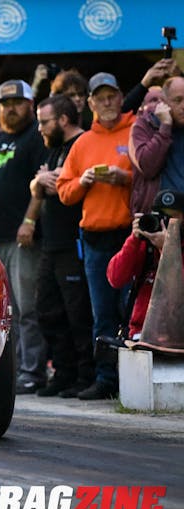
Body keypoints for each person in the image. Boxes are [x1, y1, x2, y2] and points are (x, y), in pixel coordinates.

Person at [57, 72, 136, 400]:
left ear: (121, 97)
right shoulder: (82, 143)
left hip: (129, 235)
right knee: (101, 312)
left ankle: (133, 381)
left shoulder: (135, 130)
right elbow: (64, 192)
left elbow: (152, 175)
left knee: (130, 309)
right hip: (94, 238)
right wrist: (84, 182)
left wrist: (125, 178)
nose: (106, 102)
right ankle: (105, 379)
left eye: (111, 96)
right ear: (89, 103)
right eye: (100, 98)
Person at [0, 79, 49, 394]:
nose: (10, 109)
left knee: (27, 307)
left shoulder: (36, 136)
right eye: (5, 104)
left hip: (21, 236)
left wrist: (29, 221)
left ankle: (33, 371)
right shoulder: (0, 139)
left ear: (30, 105)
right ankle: (12, 368)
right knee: (5, 309)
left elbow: (42, 184)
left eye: (17, 103)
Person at [28, 95, 94, 398]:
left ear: (63, 120)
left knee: (77, 312)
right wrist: (40, 181)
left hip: (74, 242)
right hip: (50, 243)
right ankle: (63, 373)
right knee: (47, 310)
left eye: (44, 122)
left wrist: (53, 181)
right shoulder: (53, 147)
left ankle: (85, 375)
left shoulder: (82, 143)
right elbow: (41, 183)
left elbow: (66, 184)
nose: (40, 128)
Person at [106, 190, 184, 339]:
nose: (166, 222)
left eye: (173, 217)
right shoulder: (145, 245)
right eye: (161, 216)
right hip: (141, 333)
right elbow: (115, 278)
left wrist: (168, 249)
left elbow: (178, 291)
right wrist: (134, 239)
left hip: (177, 335)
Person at [129, 76, 184, 214]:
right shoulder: (145, 124)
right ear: (163, 103)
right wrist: (165, 127)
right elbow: (147, 168)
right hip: (157, 214)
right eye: (178, 100)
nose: (183, 106)